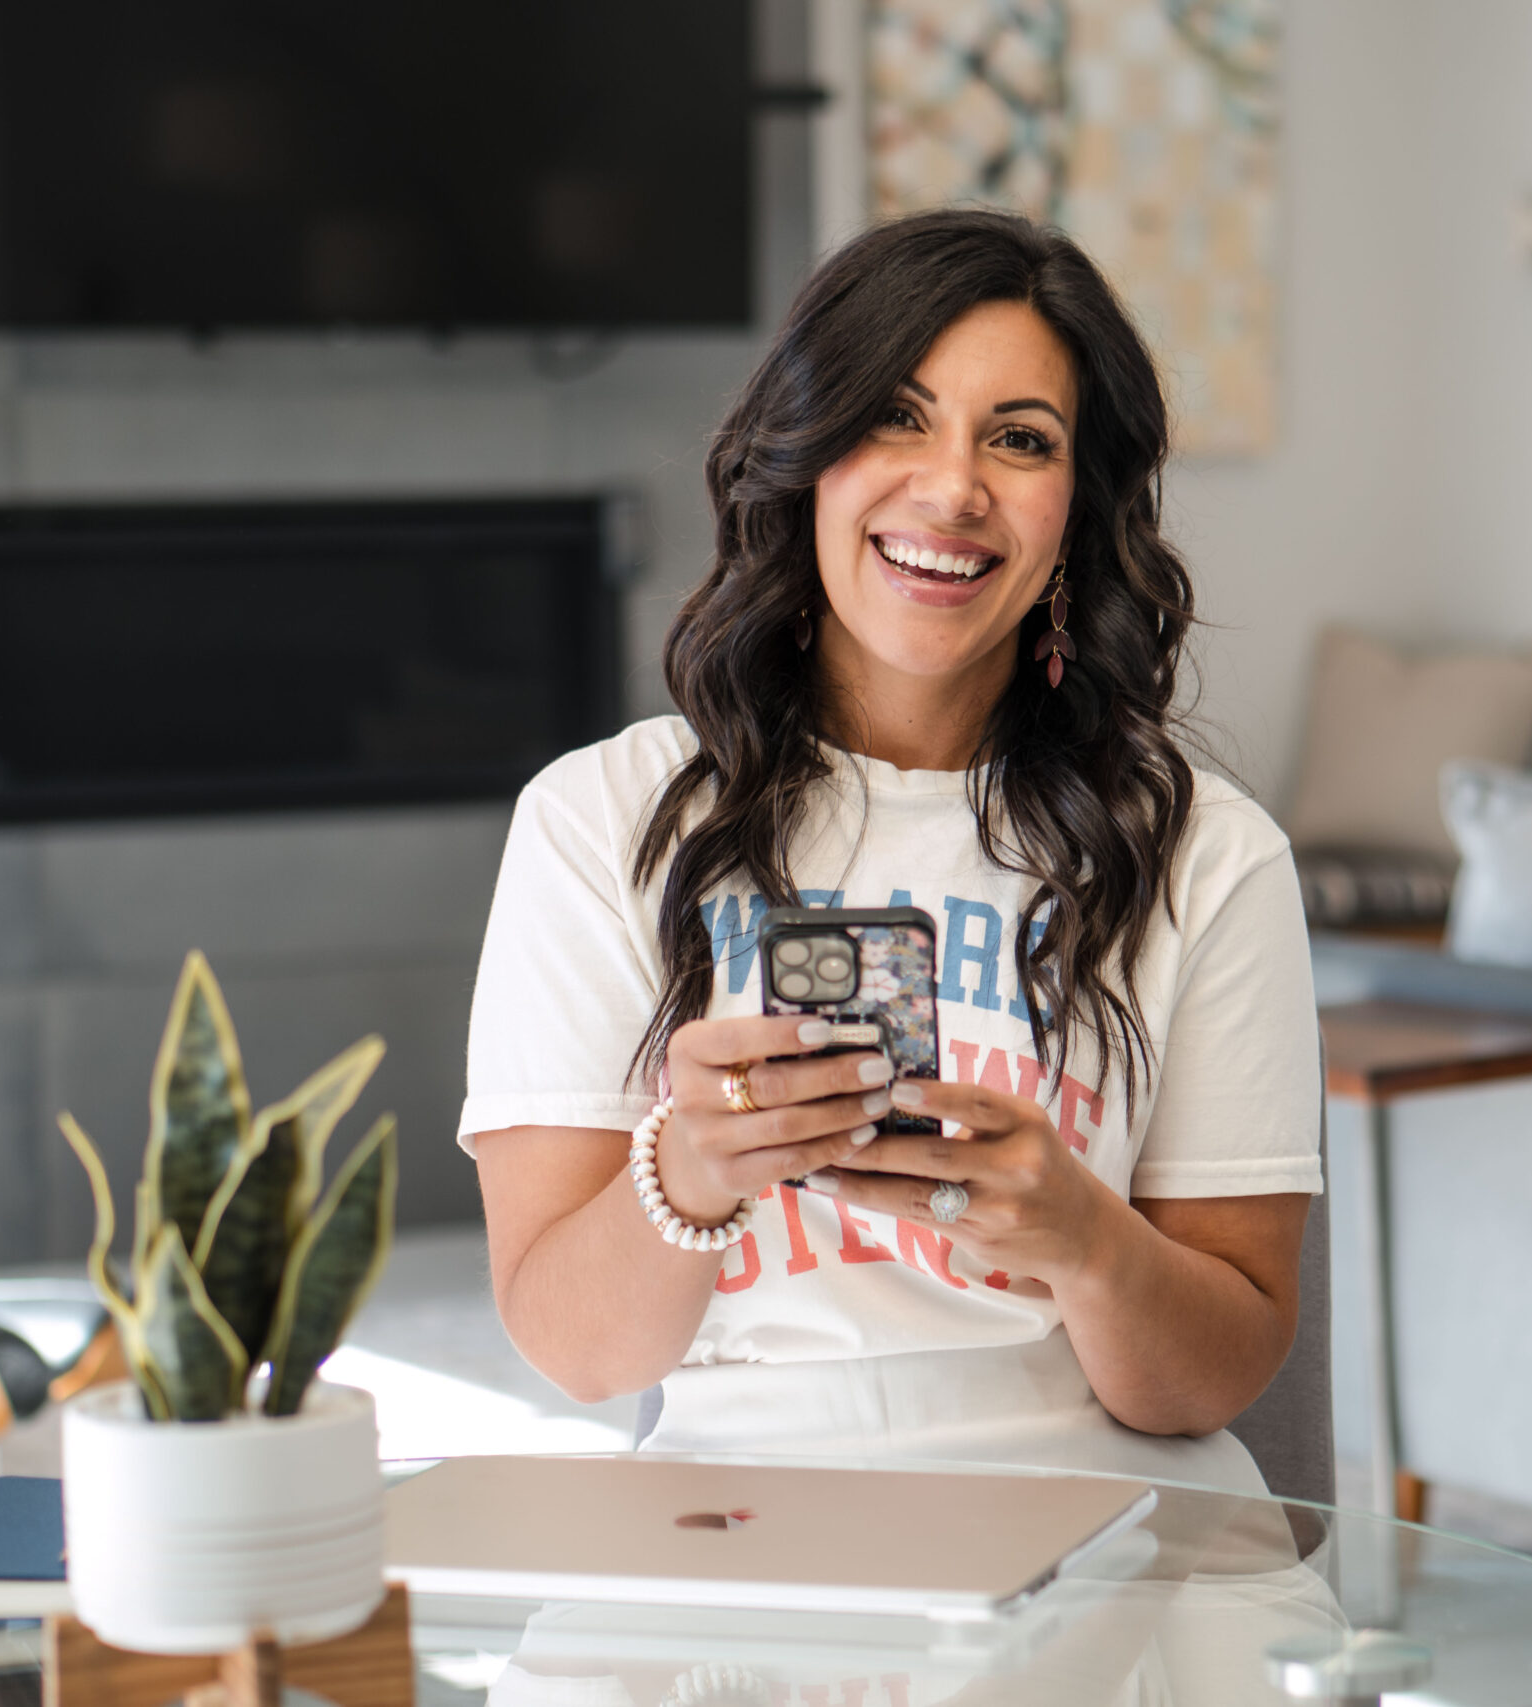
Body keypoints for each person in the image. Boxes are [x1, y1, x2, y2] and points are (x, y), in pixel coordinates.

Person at [460, 208, 1321, 1493]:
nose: (953, 486)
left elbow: (1210, 1381)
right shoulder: (601, 823)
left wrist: (1084, 1235)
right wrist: (687, 1167)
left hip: (1101, 1521)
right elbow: (576, 1354)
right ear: (805, 456)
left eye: (1019, 439)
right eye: (895, 416)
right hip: (737, 1526)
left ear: (1076, 508)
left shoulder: (1208, 856)